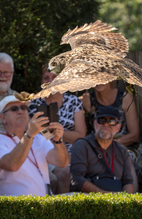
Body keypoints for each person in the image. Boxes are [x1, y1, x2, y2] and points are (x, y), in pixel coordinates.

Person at [0, 95, 69, 196]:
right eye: (14, 109)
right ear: (3, 118)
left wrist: (58, 140)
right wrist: (29, 135)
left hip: (44, 203)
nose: (20, 111)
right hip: (16, 207)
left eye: (23, 108)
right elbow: (12, 165)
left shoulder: (39, 138)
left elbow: (62, 163)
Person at [29, 63, 86, 193]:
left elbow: (80, 136)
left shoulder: (74, 102)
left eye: (55, 77)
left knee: (67, 170)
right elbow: (36, 135)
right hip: (45, 152)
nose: (50, 81)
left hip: (72, 153)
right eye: (46, 78)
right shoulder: (35, 104)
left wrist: (56, 132)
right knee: (62, 172)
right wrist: (59, 136)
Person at [81, 81, 142, 189]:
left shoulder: (125, 98)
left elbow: (134, 135)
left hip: (125, 144)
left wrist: (111, 145)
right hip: (96, 145)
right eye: (95, 75)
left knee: (125, 158)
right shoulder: (87, 99)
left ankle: (132, 200)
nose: (98, 79)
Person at [70, 105, 135, 194]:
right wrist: (104, 196)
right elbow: (76, 179)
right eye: (101, 120)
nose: (106, 124)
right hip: (88, 200)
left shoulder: (122, 150)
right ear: (94, 123)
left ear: (118, 127)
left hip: (116, 202)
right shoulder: (82, 145)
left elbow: (128, 182)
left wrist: (124, 200)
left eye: (111, 121)